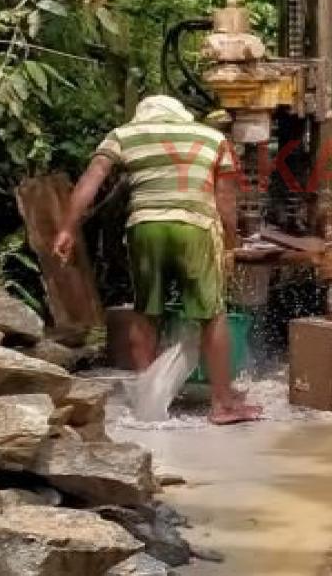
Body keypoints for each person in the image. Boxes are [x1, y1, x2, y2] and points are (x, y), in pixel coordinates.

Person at [53, 95, 261, 425]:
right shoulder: (213, 138)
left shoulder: (124, 134)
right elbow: (225, 201)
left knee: (146, 311)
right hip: (195, 228)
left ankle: (149, 404)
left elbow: (90, 180)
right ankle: (222, 404)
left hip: (145, 227)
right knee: (212, 314)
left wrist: (66, 228)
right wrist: (230, 244)